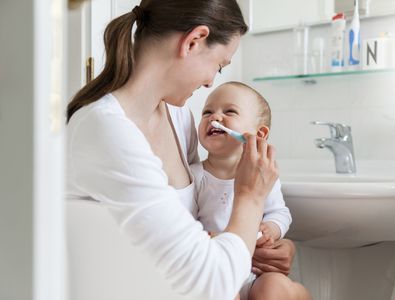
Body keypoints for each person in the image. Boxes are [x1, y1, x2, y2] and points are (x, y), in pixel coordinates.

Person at [66, 1, 301, 299]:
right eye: (218, 65)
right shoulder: (104, 128)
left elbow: (189, 230)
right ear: (194, 41)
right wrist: (251, 197)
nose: (209, 82)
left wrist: (265, 250)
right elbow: (211, 284)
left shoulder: (179, 118)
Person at [191, 81, 311, 300]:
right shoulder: (195, 176)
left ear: (260, 134)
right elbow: (185, 226)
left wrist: (271, 230)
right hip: (218, 268)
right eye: (207, 112)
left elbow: (280, 213)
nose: (214, 117)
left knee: (275, 287)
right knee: (223, 292)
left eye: (230, 111)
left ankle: (300, 294)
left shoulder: (263, 175)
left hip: (254, 274)